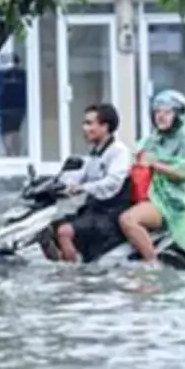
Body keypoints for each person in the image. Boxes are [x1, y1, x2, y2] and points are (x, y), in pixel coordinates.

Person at [118, 90, 185, 265]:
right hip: (146, 196)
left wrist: (155, 164)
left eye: (167, 112)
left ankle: (151, 263)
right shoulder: (150, 141)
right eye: (157, 112)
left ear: (178, 115)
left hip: (171, 203)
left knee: (128, 220)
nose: (161, 116)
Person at [43, 103, 133, 263]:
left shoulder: (118, 151)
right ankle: (63, 263)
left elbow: (112, 183)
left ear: (105, 126)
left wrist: (82, 188)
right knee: (50, 227)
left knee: (64, 232)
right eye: (85, 123)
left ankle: (74, 274)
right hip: (92, 210)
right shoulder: (96, 152)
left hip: (110, 213)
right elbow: (81, 175)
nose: (85, 128)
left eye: (90, 123)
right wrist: (55, 183)